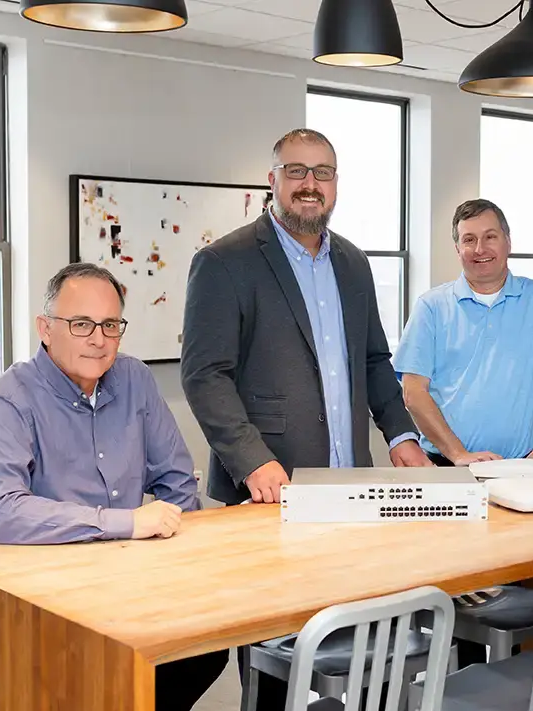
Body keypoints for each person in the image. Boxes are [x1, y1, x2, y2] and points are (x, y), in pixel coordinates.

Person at [180, 128, 431, 711]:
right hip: (272, 494)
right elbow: (204, 374)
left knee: (366, 651)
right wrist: (252, 460)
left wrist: (401, 433)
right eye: (296, 172)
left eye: (322, 173)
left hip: (353, 492)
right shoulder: (224, 262)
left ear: (336, 184)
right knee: (275, 668)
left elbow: (374, 361)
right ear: (273, 181)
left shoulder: (353, 262)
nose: (309, 185)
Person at [0, 262, 228, 711]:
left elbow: (178, 483)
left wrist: (175, 569)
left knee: (206, 649)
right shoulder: (7, 401)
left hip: (125, 584)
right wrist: (122, 524)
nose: (98, 339)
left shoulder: (134, 380)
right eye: (81, 324)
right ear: (45, 329)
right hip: (36, 595)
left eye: (110, 325)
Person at [394, 199, 533, 466]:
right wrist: (459, 454)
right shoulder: (431, 306)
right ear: (457, 248)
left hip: (523, 466)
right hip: (446, 464)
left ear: (507, 242)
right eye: (469, 240)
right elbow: (413, 391)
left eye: (490, 237)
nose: (480, 249)